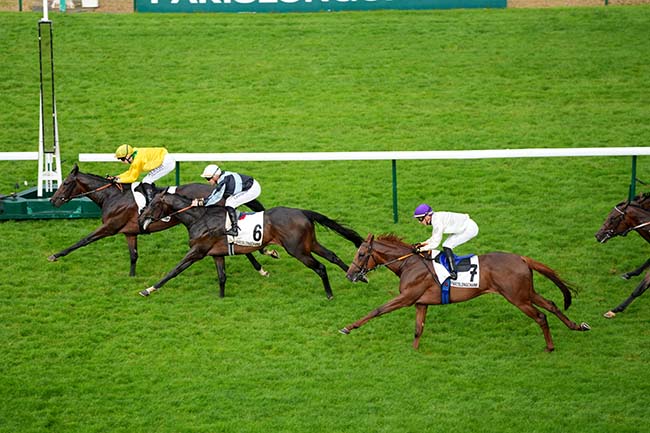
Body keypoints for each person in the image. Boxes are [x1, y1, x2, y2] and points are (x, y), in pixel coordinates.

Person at [191, 164, 262, 237]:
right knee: (236, 200)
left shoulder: (223, 181)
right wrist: (204, 200)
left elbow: (216, 198)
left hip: (252, 189)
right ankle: (262, 212)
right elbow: (216, 193)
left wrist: (200, 203)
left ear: (215, 176)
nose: (208, 181)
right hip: (249, 186)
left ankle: (234, 229)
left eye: (208, 178)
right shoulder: (222, 177)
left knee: (230, 203)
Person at [412, 203, 479, 279]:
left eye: (420, 219)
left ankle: (453, 271)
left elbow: (435, 244)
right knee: (446, 244)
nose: (420, 222)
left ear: (427, 216)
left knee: (447, 245)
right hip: (463, 227)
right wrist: (422, 244)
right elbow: (434, 237)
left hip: (469, 229)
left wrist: (420, 249)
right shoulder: (435, 218)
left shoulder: (437, 222)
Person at [111, 144, 176, 212]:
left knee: (147, 181)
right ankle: (154, 199)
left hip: (166, 163)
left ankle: (152, 205)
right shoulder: (134, 153)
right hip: (164, 158)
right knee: (147, 180)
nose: (122, 161)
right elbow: (130, 172)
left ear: (128, 156)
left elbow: (132, 178)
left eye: (122, 159)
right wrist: (117, 177)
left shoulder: (137, 160)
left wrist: (117, 180)